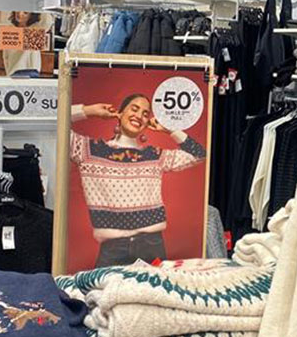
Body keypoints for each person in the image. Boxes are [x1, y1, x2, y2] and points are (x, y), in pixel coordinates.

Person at [70, 94, 206, 268]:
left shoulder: (154, 156)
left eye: (145, 114)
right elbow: (56, 123)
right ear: (119, 113)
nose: (139, 116)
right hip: (112, 249)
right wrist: (88, 111)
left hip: (152, 246)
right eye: (134, 109)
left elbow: (199, 154)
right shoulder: (89, 151)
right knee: (101, 287)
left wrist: (169, 129)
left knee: (158, 287)